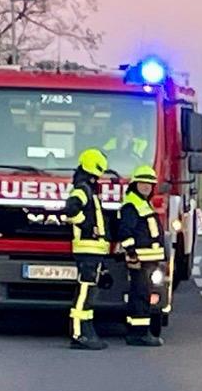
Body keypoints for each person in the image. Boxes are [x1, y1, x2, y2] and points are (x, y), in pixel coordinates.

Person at [63, 148, 113, 350]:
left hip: (94, 250)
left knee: (89, 293)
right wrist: (86, 227)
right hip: (87, 249)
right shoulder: (83, 189)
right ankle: (78, 334)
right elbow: (70, 209)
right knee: (84, 293)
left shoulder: (88, 188)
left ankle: (87, 330)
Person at [115, 163, 169, 346]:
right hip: (140, 261)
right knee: (140, 296)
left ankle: (137, 332)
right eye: (142, 183)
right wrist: (132, 254)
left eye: (149, 184)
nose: (146, 187)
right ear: (135, 185)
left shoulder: (142, 203)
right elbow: (125, 232)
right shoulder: (132, 205)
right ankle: (139, 334)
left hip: (148, 260)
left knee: (142, 295)